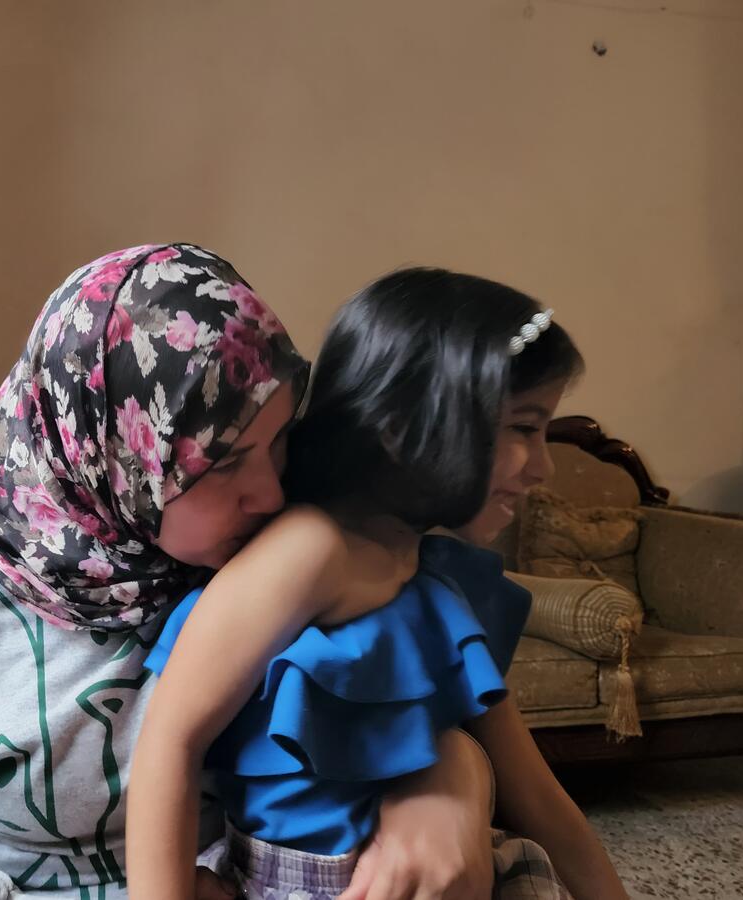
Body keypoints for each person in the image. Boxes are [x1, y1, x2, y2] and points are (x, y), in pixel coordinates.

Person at [0, 247, 508, 899]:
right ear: (117, 458)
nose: (273, 493)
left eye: (278, 441)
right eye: (223, 464)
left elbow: (393, 688)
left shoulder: (274, 544)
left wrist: (450, 780)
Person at [128, 268, 628, 900]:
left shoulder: (436, 577)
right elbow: (171, 739)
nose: (544, 467)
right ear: (409, 423)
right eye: (525, 428)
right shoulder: (310, 550)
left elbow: (535, 794)